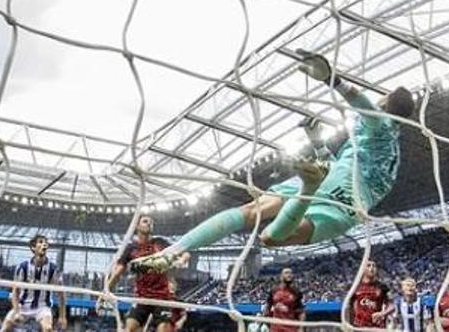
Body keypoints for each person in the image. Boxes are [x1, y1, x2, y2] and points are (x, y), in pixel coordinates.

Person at [130, 52, 412, 271]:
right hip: (346, 196)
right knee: (270, 237)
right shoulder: (386, 150)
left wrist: (333, 79)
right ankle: (309, 187)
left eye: (382, 97)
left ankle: (172, 253)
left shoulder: (382, 127)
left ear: (386, 101)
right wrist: (318, 144)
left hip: (343, 192)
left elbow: (367, 109)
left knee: (253, 212)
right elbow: (344, 166)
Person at [102, 215, 174, 332]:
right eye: (145, 221)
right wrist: (105, 291)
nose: (149, 223)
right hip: (142, 297)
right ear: (137, 226)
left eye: (151, 222)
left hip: (162, 297)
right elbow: (117, 273)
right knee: (129, 328)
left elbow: (179, 251)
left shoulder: (160, 243)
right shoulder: (131, 249)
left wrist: (184, 256)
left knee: (164, 329)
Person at [2, 235, 66, 332]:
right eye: (40, 242)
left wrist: (62, 316)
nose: (44, 244)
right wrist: (16, 310)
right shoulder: (23, 267)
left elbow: (61, 293)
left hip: (43, 306)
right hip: (23, 305)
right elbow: (15, 291)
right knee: (4, 329)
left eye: (45, 242)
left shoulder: (53, 269)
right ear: (33, 247)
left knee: (48, 329)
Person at [347, 261, 391, 329]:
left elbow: (392, 306)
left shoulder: (383, 287)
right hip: (359, 327)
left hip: (376, 327)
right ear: (362, 269)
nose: (372, 268)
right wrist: (349, 325)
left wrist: (382, 313)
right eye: (368, 265)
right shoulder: (355, 286)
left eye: (374, 266)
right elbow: (348, 307)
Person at [264, 268, 305, 332]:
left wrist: (301, 328)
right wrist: (268, 323)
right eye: (286, 273)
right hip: (276, 327)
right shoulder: (274, 290)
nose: (289, 275)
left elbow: (301, 312)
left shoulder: (296, 292)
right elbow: (267, 307)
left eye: (291, 273)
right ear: (281, 277)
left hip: (290, 327)